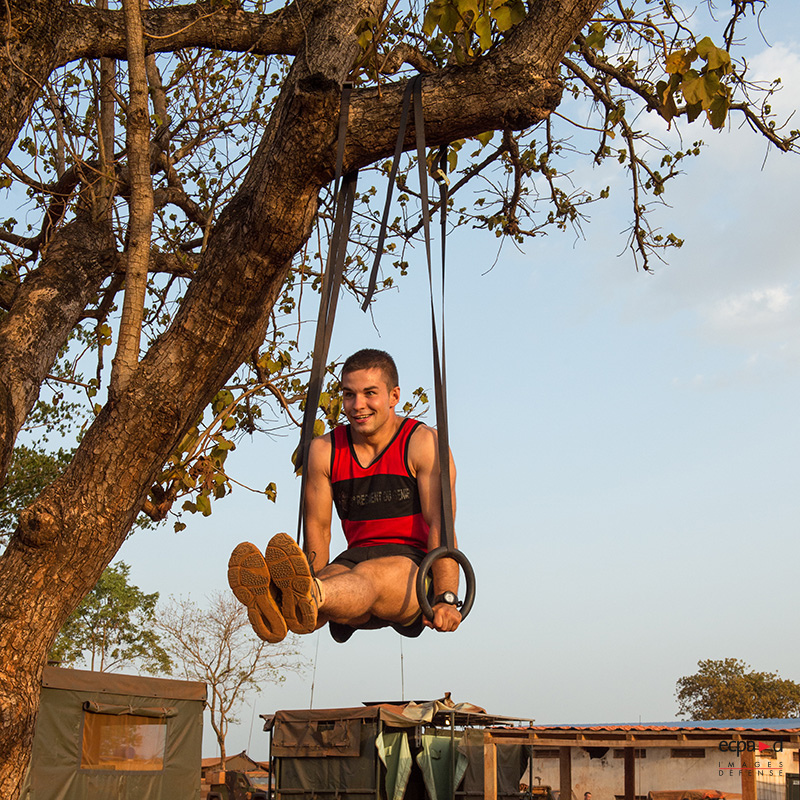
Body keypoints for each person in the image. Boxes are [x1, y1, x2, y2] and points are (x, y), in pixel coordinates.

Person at [228, 348, 462, 643]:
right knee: (330, 581)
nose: (357, 405)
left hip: (410, 567)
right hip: (352, 562)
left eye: (369, 393)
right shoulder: (324, 450)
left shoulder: (423, 442)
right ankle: (286, 604)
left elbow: (442, 526)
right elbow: (318, 529)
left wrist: (446, 597)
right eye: (349, 394)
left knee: (366, 578)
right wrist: (311, 573)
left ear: (394, 396)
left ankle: (310, 595)